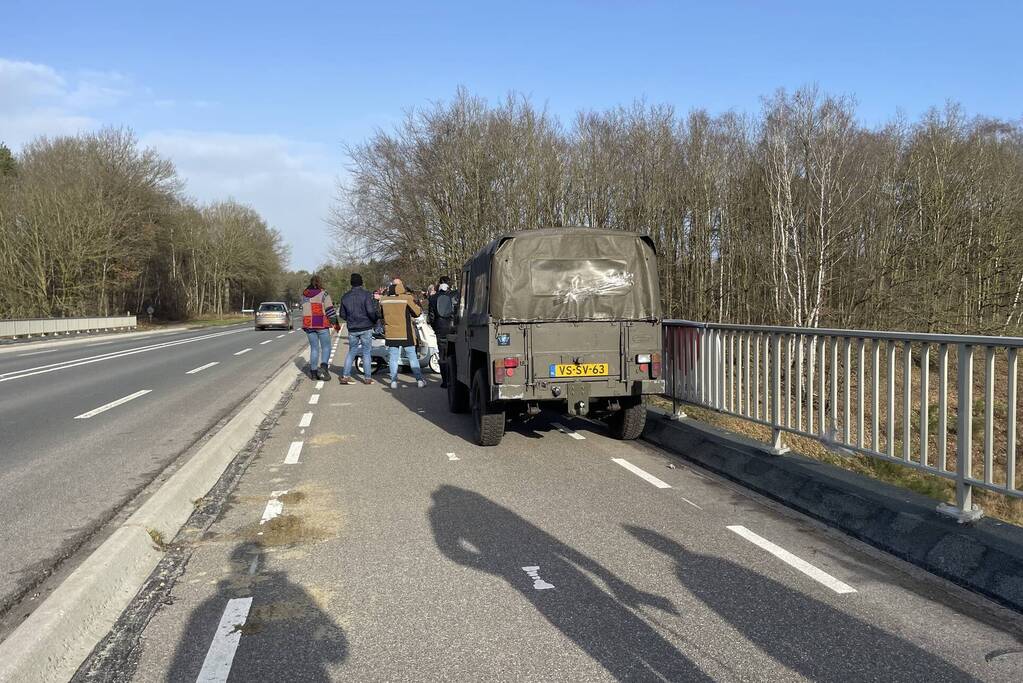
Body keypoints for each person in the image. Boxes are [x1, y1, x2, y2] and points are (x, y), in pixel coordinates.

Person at [380, 281, 426, 389]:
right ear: (401, 289)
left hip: (391, 333)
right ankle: (419, 380)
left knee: (393, 358)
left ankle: (393, 381)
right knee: (412, 357)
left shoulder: (384, 300)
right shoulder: (406, 298)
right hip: (405, 332)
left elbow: (381, 315)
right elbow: (417, 312)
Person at [338, 273, 379, 385]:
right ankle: (367, 378)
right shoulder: (366, 295)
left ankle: (345, 376)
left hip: (352, 328)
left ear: (351, 283)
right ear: (361, 282)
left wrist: (350, 319)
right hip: (366, 326)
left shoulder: (345, 296)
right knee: (366, 352)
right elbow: (371, 311)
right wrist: (375, 320)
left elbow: (342, 314)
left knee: (352, 351)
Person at [300, 275, 340, 380]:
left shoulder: (305, 295)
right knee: (326, 347)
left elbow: (304, 309)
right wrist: (335, 323)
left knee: (314, 348)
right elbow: (330, 309)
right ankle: (324, 367)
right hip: (321, 324)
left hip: (308, 324)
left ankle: (313, 373)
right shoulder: (324, 293)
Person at [428, 275, 458, 388]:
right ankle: (456, 378)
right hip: (454, 328)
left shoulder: (433, 298)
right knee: (455, 352)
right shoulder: (455, 295)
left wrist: (435, 327)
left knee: (443, 354)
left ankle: (445, 381)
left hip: (440, 328)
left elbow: (431, 317)